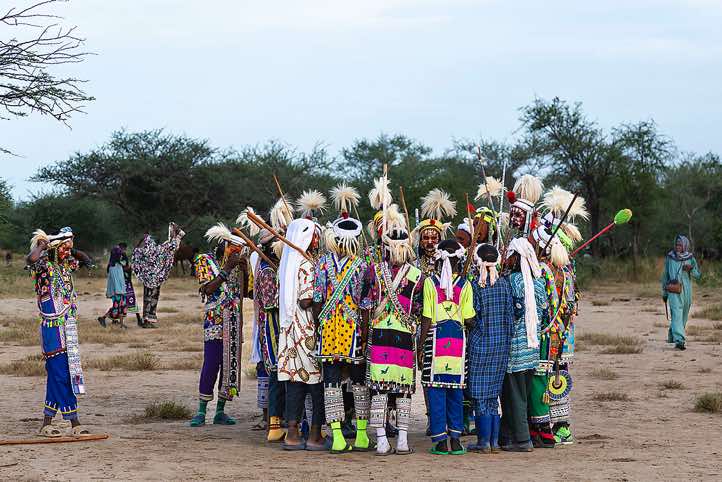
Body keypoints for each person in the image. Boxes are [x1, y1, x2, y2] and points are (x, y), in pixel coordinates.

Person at [314, 184, 373, 454]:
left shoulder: (323, 263)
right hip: (354, 330)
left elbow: (317, 299)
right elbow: (365, 303)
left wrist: (319, 326)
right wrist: (364, 331)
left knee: (332, 382)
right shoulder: (362, 265)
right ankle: (360, 435)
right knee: (359, 382)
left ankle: (337, 436)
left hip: (329, 329)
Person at [366, 206, 423, 455]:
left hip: (379, 335)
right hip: (404, 336)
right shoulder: (418, 276)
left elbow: (366, 305)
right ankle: (401, 439)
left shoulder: (374, 271)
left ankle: (381, 439)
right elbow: (419, 311)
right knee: (403, 389)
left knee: (378, 387)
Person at [27, 227, 93, 437]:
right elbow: (31, 259)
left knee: (62, 374)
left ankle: (46, 423)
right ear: (54, 249)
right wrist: (42, 244)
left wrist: (69, 246)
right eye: (64, 248)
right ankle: (74, 422)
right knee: (60, 374)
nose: (68, 252)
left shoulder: (65, 267)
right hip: (52, 328)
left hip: (69, 326)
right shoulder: (43, 266)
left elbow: (85, 258)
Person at [418, 239, 475, 456]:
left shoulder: (431, 283)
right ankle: (456, 440)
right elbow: (469, 318)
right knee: (456, 392)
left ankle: (441, 442)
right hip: (458, 343)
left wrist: (420, 344)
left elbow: (426, 317)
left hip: (435, 340)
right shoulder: (466, 285)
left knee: (435, 392)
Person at [189, 224, 246, 427]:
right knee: (211, 363)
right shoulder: (204, 260)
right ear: (224, 245)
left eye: (239, 250)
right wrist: (228, 268)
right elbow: (208, 288)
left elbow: (245, 292)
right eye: (234, 248)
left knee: (230, 366)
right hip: (215, 321)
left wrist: (244, 269)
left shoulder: (237, 265)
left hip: (234, 320)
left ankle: (220, 411)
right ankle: (201, 411)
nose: (237, 252)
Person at [277, 218, 326, 451]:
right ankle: (315, 435)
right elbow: (307, 299)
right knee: (316, 384)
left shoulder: (288, 263)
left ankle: (292, 434)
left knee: (296, 383)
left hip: (289, 331)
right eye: (315, 235)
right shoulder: (306, 264)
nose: (318, 240)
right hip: (307, 330)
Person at [467, 243, 514, 453]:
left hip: (480, 346)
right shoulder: (504, 284)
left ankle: (483, 442)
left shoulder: (476, 286)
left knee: (479, 398)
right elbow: (510, 319)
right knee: (493, 397)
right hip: (501, 347)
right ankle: (493, 443)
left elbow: (472, 317)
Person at [500, 237, 546, 452]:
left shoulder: (511, 281)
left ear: (517, 258)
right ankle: (506, 435)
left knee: (515, 395)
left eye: (510, 255)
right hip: (532, 348)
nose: (507, 259)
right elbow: (544, 312)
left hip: (515, 350)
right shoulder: (538, 281)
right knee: (521, 393)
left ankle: (522, 440)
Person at [254, 228, 285, 442]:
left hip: (278, 326)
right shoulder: (267, 270)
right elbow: (271, 303)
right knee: (275, 373)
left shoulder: (277, 267)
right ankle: (274, 424)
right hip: (272, 328)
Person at [132, 222, 185, 328]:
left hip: (151, 278)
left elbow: (175, 244)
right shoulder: (159, 249)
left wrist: (174, 232)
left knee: (150, 298)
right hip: (153, 278)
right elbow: (175, 244)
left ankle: (147, 320)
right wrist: (175, 232)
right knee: (151, 298)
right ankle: (147, 320)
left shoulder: (155, 249)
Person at [661, 235, 701, 350]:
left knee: (682, 315)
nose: (678, 247)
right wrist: (664, 292)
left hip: (687, 291)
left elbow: (697, 275)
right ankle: (679, 340)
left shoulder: (690, 258)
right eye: (676, 244)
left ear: (685, 245)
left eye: (680, 244)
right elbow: (665, 275)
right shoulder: (670, 257)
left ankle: (673, 335)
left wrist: (691, 269)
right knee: (677, 314)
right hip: (673, 290)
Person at [98, 245, 128, 328]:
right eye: (119, 253)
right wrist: (118, 291)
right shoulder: (112, 267)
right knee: (116, 307)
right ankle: (103, 318)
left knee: (122, 307)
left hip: (121, 290)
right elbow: (114, 281)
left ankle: (121, 324)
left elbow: (126, 263)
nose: (120, 255)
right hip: (117, 291)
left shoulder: (118, 264)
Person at [118, 242, 142, 327]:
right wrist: (130, 267)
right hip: (126, 282)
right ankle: (138, 319)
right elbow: (125, 267)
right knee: (130, 300)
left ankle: (138, 319)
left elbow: (123, 267)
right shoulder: (121, 255)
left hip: (123, 282)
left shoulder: (120, 255)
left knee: (122, 301)